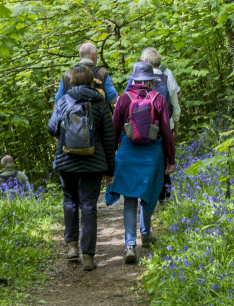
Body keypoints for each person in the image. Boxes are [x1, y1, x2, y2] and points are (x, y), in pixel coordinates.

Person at [47, 65, 117, 271]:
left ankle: (72, 247)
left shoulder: (62, 101)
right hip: (93, 162)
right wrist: (110, 171)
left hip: (66, 160)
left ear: (72, 82)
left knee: (69, 202)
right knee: (88, 206)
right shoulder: (100, 102)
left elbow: (51, 127)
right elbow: (109, 138)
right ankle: (88, 256)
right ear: (91, 82)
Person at [106, 61, 176, 264]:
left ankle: (129, 245)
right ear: (151, 82)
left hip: (128, 152)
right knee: (148, 194)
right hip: (152, 154)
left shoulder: (123, 99)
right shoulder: (158, 98)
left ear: (134, 79)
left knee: (129, 199)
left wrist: (110, 160)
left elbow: (114, 131)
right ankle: (145, 235)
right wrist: (170, 159)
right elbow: (166, 132)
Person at [123, 48, 182, 202]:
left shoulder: (134, 78)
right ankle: (164, 199)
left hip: (137, 128)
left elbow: (124, 102)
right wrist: (175, 122)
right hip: (163, 126)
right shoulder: (167, 75)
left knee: (142, 161)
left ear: (147, 62)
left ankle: (143, 196)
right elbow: (176, 100)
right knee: (162, 163)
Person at [54, 43, 119, 109]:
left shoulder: (67, 76)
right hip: (98, 117)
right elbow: (113, 99)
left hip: (73, 117)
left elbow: (57, 103)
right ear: (94, 55)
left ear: (80, 56)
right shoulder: (102, 73)